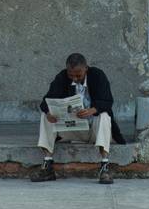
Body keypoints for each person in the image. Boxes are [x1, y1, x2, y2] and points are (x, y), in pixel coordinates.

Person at [31, 52, 124, 184]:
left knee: (104, 115)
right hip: (72, 129)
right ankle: (47, 165)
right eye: (71, 75)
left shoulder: (98, 75)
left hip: (93, 130)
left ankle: (104, 166)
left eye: (78, 75)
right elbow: (45, 101)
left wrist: (92, 110)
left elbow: (107, 101)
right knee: (44, 116)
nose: (74, 78)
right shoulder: (62, 77)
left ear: (86, 68)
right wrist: (49, 112)